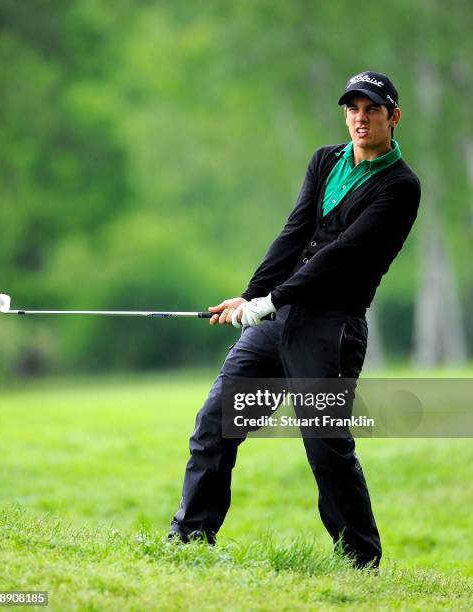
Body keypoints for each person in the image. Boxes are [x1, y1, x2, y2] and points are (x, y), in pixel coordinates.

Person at [168, 71, 421, 569]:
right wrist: (251, 294)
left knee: (326, 447)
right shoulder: (326, 160)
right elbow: (295, 232)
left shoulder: (401, 186)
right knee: (214, 422)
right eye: (352, 108)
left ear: (393, 117)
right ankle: (190, 540)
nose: (360, 118)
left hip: (333, 328)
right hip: (277, 317)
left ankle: (360, 560)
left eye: (371, 109)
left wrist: (268, 300)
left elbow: (343, 256)